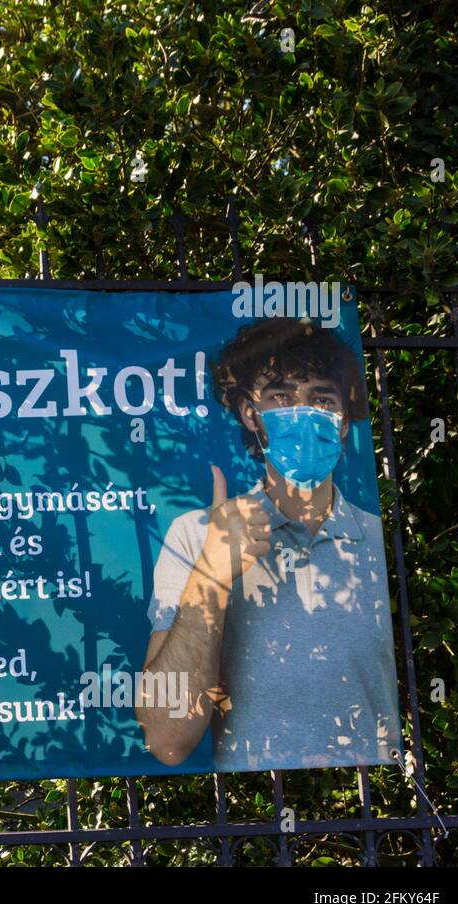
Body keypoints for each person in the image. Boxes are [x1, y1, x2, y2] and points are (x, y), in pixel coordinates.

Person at [135, 315, 403, 771]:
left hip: (378, 818)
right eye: (280, 396)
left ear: (342, 421)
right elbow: (167, 736)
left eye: (321, 397)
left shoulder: (385, 541)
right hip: (252, 821)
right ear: (250, 413)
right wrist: (212, 573)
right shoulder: (196, 533)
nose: (301, 412)